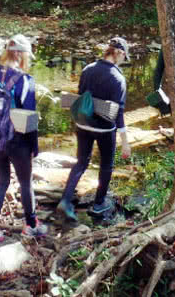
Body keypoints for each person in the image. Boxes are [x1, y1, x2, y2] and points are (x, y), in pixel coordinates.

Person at [0, 34, 47, 247]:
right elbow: (29, 118)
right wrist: (34, 148)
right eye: (27, 54)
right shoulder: (25, 80)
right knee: (25, 182)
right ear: (20, 54)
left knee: (2, 181)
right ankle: (31, 225)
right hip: (18, 141)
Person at [57, 37, 131, 221]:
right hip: (105, 129)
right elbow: (118, 112)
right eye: (124, 56)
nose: (124, 60)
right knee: (106, 164)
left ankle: (65, 201)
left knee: (81, 162)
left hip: (83, 123)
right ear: (119, 53)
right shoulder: (118, 79)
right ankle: (98, 204)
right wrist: (125, 142)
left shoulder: (87, 69)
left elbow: (83, 96)